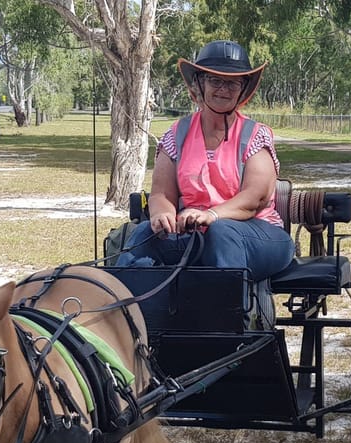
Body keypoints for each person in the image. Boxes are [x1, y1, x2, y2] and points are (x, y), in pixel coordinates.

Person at [116, 40, 295, 285]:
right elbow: (160, 194)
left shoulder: (255, 135)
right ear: (199, 84)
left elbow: (255, 199)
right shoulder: (176, 135)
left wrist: (211, 215)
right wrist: (163, 215)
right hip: (193, 234)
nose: (224, 89)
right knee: (143, 233)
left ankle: (227, 318)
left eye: (232, 82)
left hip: (259, 233)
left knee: (221, 233)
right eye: (215, 80)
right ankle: (136, 314)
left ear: (243, 89)